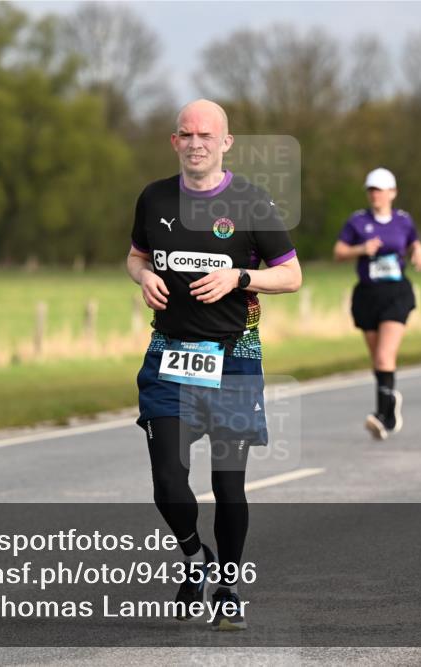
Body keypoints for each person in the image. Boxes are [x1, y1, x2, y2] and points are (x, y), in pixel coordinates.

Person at [127, 99, 301, 631]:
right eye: (186, 134)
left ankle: (227, 583)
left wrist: (239, 278)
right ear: (174, 142)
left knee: (228, 483)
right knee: (168, 482)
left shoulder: (251, 202)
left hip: (234, 358)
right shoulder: (154, 197)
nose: (196, 142)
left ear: (225, 143)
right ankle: (193, 555)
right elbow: (136, 255)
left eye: (207, 134)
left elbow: (291, 275)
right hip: (169, 354)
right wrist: (143, 277)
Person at [333, 168, 421, 440]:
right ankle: (388, 407)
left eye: (380, 189)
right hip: (367, 294)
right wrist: (360, 250)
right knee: (378, 358)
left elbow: (415, 244)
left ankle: (383, 415)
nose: (375, 194)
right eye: (371, 190)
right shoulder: (357, 221)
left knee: (386, 356)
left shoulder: (403, 221)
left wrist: (420, 252)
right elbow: (339, 252)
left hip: (396, 293)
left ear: (392, 193)